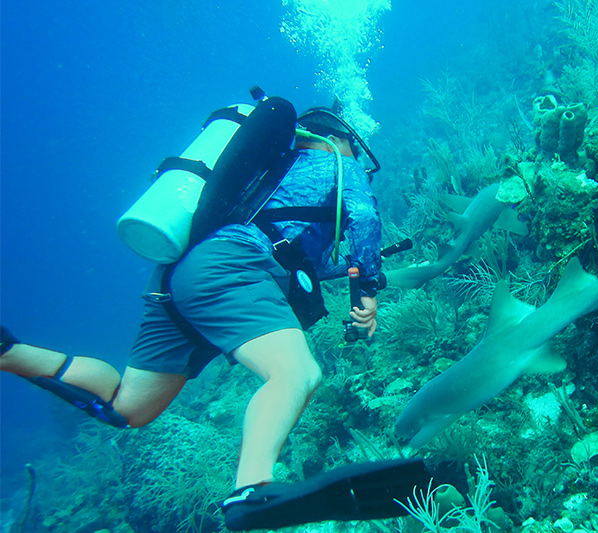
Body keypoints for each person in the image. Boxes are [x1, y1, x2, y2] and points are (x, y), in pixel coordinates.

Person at [0, 100, 433, 530]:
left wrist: (368, 270)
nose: (357, 160)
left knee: (127, 406)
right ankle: (252, 489)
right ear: (336, 138)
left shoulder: (267, 178)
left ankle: (9, 352)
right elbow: (363, 216)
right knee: (296, 374)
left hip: (184, 275)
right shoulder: (337, 164)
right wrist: (369, 291)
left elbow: (298, 256)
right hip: (234, 267)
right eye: (354, 148)